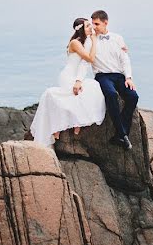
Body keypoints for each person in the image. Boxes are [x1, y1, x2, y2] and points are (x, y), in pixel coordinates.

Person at [30, 18, 106, 146]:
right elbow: (90, 58)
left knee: (94, 88)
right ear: (81, 29)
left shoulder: (85, 42)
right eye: (88, 26)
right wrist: (94, 41)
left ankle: (77, 122)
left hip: (77, 76)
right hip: (68, 76)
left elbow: (85, 63)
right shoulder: (75, 43)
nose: (91, 28)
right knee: (72, 96)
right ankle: (57, 126)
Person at [88, 9, 138, 151]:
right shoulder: (90, 40)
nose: (94, 27)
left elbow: (124, 59)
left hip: (119, 75)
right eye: (92, 24)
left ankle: (119, 135)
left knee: (133, 96)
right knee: (110, 94)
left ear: (105, 23)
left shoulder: (117, 38)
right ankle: (123, 133)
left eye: (97, 24)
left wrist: (128, 77)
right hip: (102, 76)